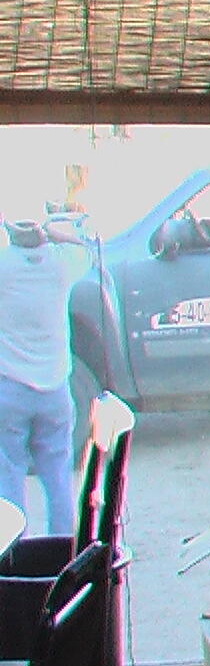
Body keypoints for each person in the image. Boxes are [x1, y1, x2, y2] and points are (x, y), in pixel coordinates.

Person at [0, 212, 89, 535]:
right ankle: (63, 552)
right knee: (58, 477)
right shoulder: (61, 265)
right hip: (54, 390)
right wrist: (59, 233)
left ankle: (13, 553)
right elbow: (87, 249)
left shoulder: (4, 267)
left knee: (8, 476)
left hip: (10, 388)